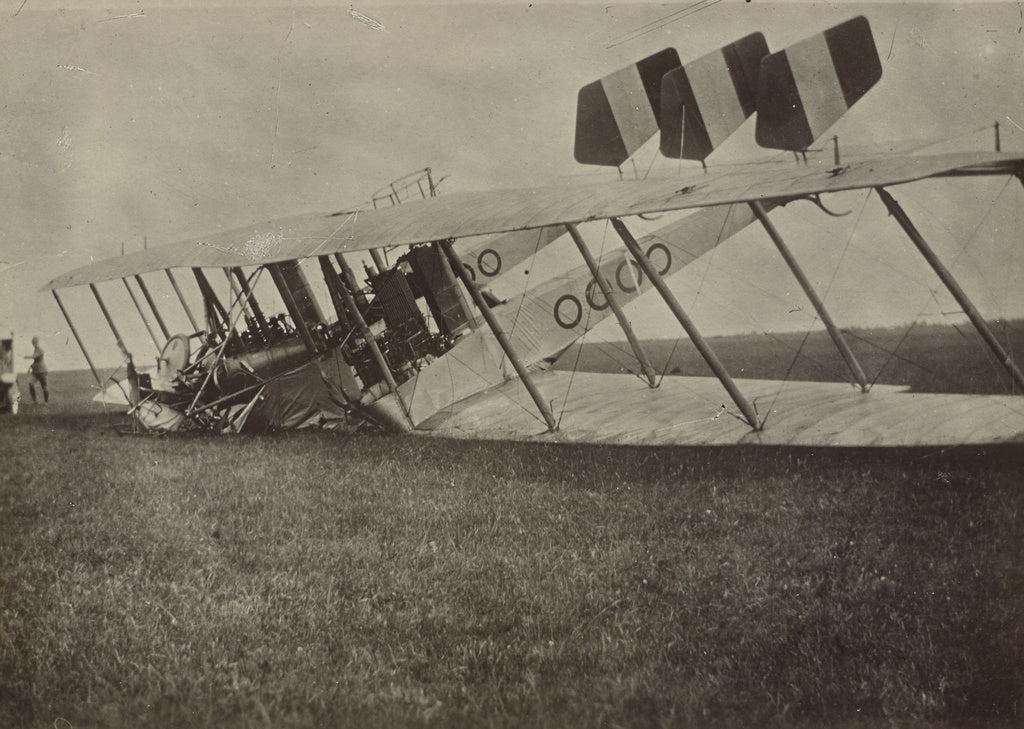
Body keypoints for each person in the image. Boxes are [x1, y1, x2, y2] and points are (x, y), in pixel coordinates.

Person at [24, 336, 49, 403]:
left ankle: (46, 402)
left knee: (44, 386)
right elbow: (36, 361)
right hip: (36, 371)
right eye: (33, 342)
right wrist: (30, 367)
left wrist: (25, 357)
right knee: (31, 384)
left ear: (37, 342)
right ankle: (35, 401)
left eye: (35, 342)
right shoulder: (35, 350)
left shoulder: (40, 350)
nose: (34, 344)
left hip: (42, 371)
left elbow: (34, 356)